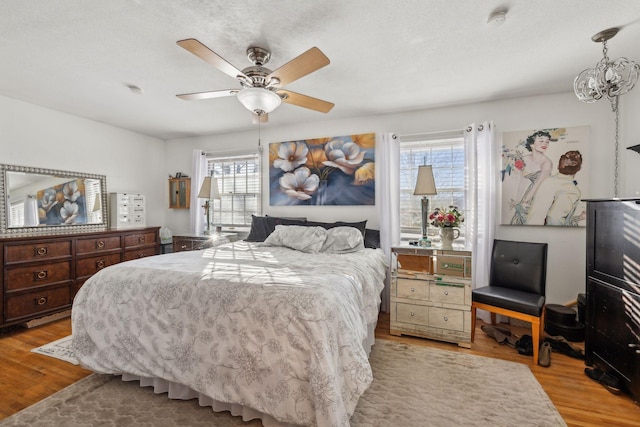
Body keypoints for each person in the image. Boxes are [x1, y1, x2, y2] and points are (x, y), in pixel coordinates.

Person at [526, 150, 584, 226]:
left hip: (531, 228)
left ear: (558, 166)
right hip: (549, 234)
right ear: (579, 168)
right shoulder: (571, 190)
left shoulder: (548, 180)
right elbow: (555, 219)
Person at [509, 130, 554, 224]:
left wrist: (525, 201)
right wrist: (518, 200)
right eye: (541, 141)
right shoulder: (524, 159)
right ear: (532, 144)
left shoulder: (547, 163)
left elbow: (538, 184)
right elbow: (522, 182)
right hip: (529, 191)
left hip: (541, 193)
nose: (545, 144)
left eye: (547, 141)